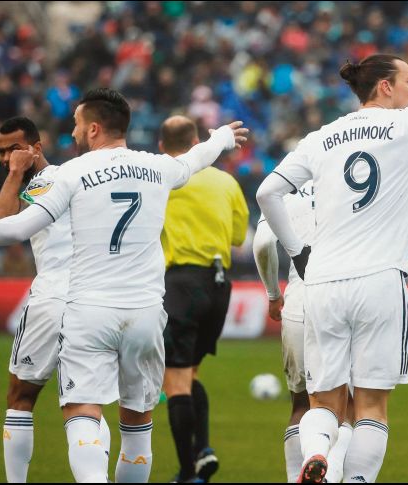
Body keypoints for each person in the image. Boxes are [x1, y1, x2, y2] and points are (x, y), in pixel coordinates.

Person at [256, 8, 408, 483]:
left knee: (321, 403)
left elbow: (267, 193)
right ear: (384, 86)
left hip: (322, 283)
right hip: (380, 283)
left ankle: (313, 457)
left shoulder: (321, 138)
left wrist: (299, 253)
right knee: (371, 406)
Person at [0, 88, 248, 483]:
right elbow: (196, 159)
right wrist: (220, 137)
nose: (74, 131)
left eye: (78, 124)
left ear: (94, 128)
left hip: (90, 310)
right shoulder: (157, 167)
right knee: (137, 422)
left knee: (82, 411)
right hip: (147, 314)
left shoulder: (71, 173)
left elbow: (17, 225)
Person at [0, 116, 110, 483]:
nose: (6, 159)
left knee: (20, 396)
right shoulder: (79, 179)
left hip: (53, 297)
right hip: (95, 298)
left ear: (36, 149)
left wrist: (15, 175)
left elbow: (2, 228)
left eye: (14, 149)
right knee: (86, 403)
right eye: (0, 152)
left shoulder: (43, 182)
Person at [158, 115, 249, 483]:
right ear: (198, 140)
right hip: (218, 285)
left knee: (175, 382)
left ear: (162, 147)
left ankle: (187, 472)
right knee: (190, 373)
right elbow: (239, 236)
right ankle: (204, 449)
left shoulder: (163, 177)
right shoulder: (226, 182)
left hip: (180, 282)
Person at [253, 181, 354, 483]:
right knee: (347, 403)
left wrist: (273, 294)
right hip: (343, 297)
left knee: (301, 404)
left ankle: (296, 476)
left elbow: (261, 244)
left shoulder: (282, 189)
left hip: (300, 299)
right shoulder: (348, 183)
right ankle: (331, 476)